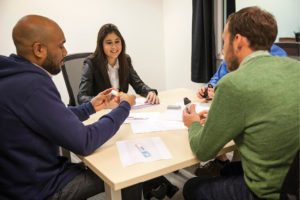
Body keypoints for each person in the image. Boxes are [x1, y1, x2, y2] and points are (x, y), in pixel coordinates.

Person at [0, 15, 142, 200]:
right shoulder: (33, 85)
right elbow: (85, 142)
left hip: (18, 180)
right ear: (39, 49)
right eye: (61, 45)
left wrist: (90, 107)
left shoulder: (14, 75)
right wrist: (124, 107)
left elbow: (53, 114)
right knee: (125, 173)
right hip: (41, 189)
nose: (65, 52)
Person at [182, 6, 299, 200]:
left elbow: (203, 150)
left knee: (191, 186)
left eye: (224, 40)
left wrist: (193, 123)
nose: (222, 49)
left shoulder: (232, 84)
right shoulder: (296, 68)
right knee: (228, 170)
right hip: (293, 181)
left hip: (268, 192)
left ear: (238, 41)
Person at [78, 23, 159, 106]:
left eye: (117, 41)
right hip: (99, 112)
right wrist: (106, 100)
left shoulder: (125, 60)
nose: (114, 47)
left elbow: (138, 85)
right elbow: (82, 97)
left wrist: (150, 92)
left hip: (119, 110)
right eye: (109, 43)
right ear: (101, 45)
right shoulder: (91, 63)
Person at [196, 44, 287, 100]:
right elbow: (216, 79)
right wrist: (208, 89)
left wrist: (222, 93)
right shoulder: (232, 52)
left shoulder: (278, 55)